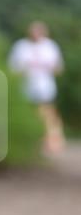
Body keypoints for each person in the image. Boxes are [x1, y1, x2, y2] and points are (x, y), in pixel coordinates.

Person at [8, 21, 65, 154]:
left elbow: (59, 68)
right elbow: (12, 69)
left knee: (47, 115)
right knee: (28, 115)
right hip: (25, 88)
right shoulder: (20, 46)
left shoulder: (50, 46)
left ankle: (51, 143)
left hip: (45, 87)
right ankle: (30, 143)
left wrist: (48, 67)